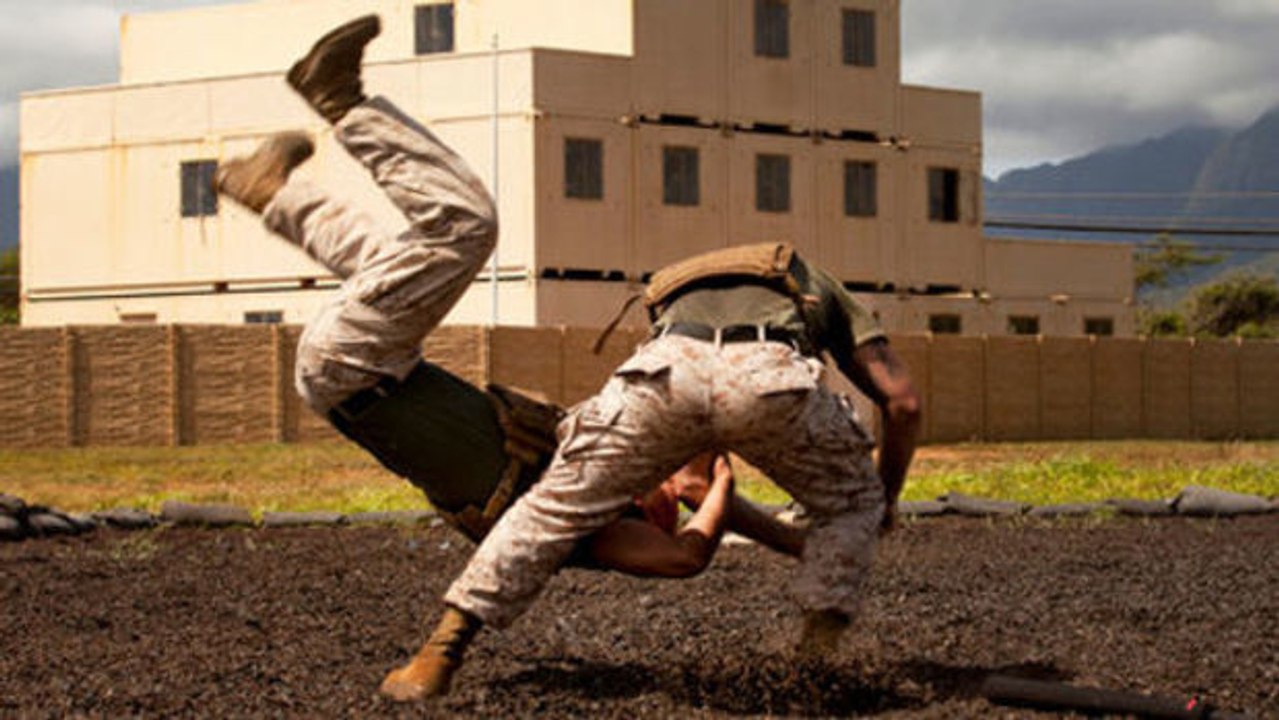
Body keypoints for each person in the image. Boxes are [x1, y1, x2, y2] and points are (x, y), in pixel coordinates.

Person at [212, 11, 807, 673]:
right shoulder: (603, 469)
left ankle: (340, 100)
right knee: (390, 256)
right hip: (377, 367)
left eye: (673, 482)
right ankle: (270, 193)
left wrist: (716, 483)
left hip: (355, 370)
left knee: (464, 226)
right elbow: (726, 511)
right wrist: (797, 539)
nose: (667, 465)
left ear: (658, 509)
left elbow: (687, 557)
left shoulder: (590, 527)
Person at [391, 243, 923, 700]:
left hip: (663, 370)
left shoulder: (672, 295)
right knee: (852, 507)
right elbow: (903, 404)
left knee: (550, 508)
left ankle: (438, 657)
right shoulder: (816, 282)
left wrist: (788, 539)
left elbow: (693, 476)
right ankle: (813, 666)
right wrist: (882, 501)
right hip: (769, 372)